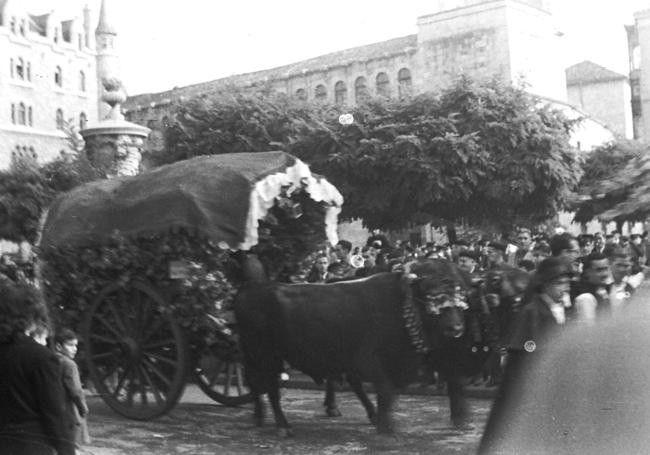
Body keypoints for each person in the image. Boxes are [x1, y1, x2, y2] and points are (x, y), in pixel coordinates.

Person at [478, 256, 574, 454]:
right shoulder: (532, 312)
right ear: (544, 285)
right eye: (559, 283)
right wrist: (535, 347)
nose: (564, 288)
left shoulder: (564, 310)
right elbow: (525, 345)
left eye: (567, 283)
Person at [0, 282, 75, 455]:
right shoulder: (41, 357)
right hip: (31, 446)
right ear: (30, 317)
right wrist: (67, 451)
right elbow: (54, 414)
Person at [55, 329, 90, 449]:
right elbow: (76, 391)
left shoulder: (51, 361)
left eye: (76, 345)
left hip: (56, 412)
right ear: (59, 346)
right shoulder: (70, 365)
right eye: (70, 345)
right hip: (70, 414)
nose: (74, 349)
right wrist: (83, 409)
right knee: (73, 447)